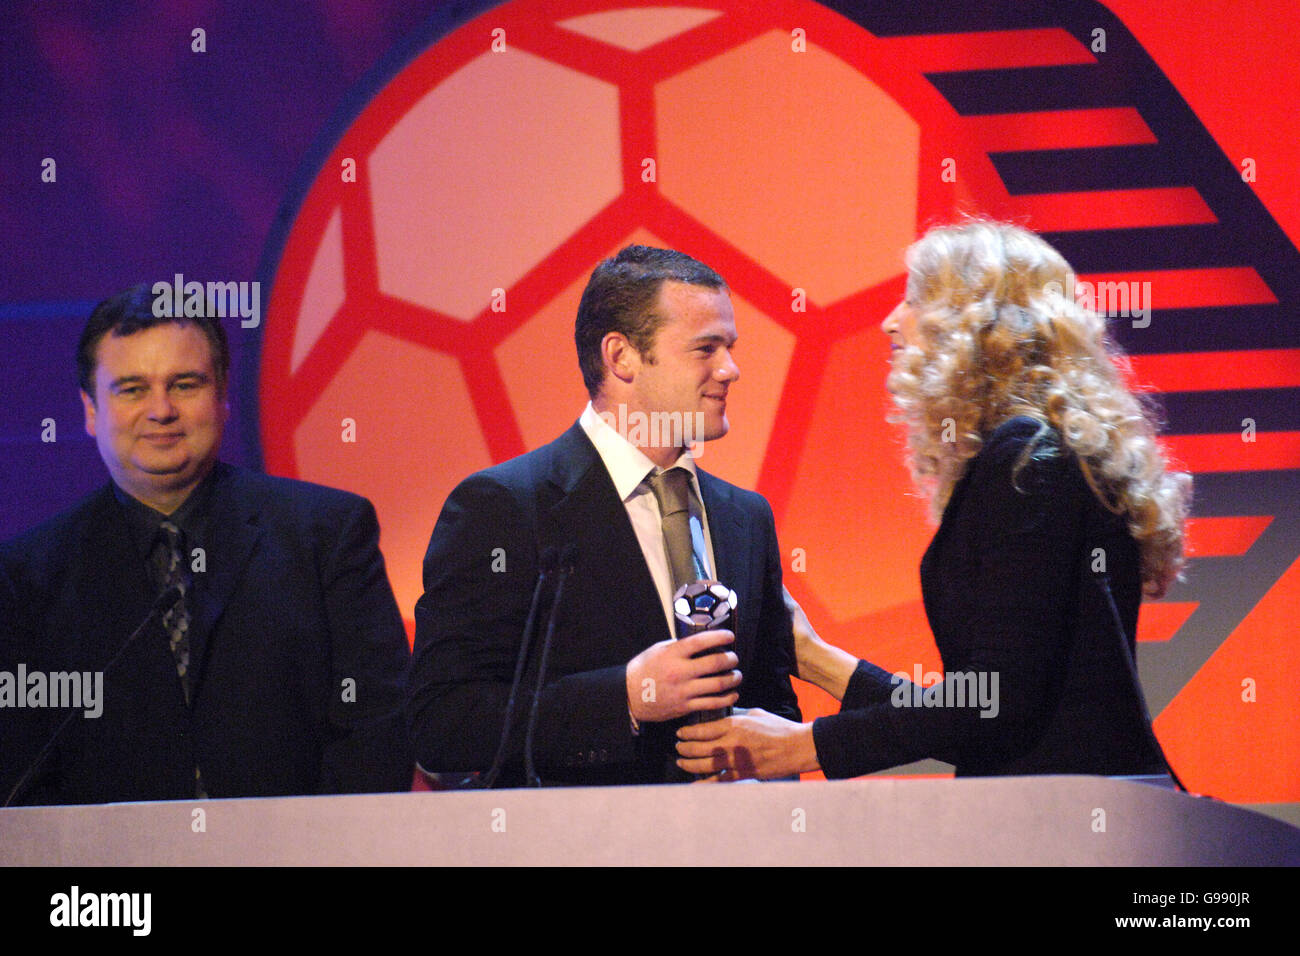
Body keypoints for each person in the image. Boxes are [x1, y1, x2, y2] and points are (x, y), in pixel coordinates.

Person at [676, 221, 1191, 780]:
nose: (890, 320)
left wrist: (807, 746)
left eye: (916, 299)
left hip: (1075, 823)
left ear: (981, 326)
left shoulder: (1027, 461)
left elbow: (993, 704)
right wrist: (817, 659)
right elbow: (985, 705)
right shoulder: (1040, 452)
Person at [0, 285, 412, 805]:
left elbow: (378, 729)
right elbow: (20, 774)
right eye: (131, 389)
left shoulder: (327, 534)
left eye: (185, 384)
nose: (161, 410)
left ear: (222, 398)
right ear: (89, 410)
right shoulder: (25, 577)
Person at [406, 245, 801, 786]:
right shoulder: (504, 508)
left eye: (729, 347)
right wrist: (628, 695)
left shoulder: (746, 517)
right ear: (621, 357)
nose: (730, 369)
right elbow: (445, 722)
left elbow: (774, 707)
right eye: (706, 348)